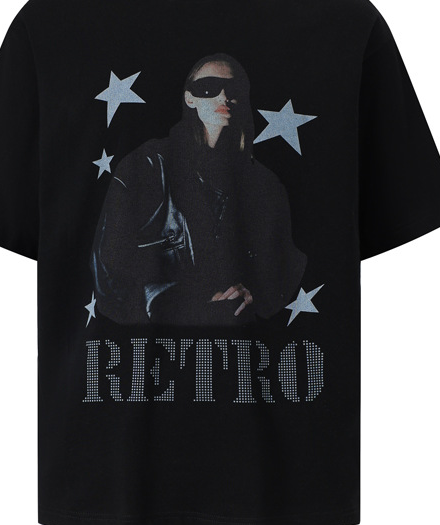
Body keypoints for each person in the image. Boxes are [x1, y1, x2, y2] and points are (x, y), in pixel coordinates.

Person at [89, 53, 307, 326]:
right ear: (189, 98)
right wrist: (187, 303)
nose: (223, 96)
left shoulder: (264, 185)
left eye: (233, 88)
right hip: (158, 341)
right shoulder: (147, 167)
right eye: (208, 88)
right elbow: (107, 274)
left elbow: (283, 270)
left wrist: (252, 293)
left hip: (238, 341)